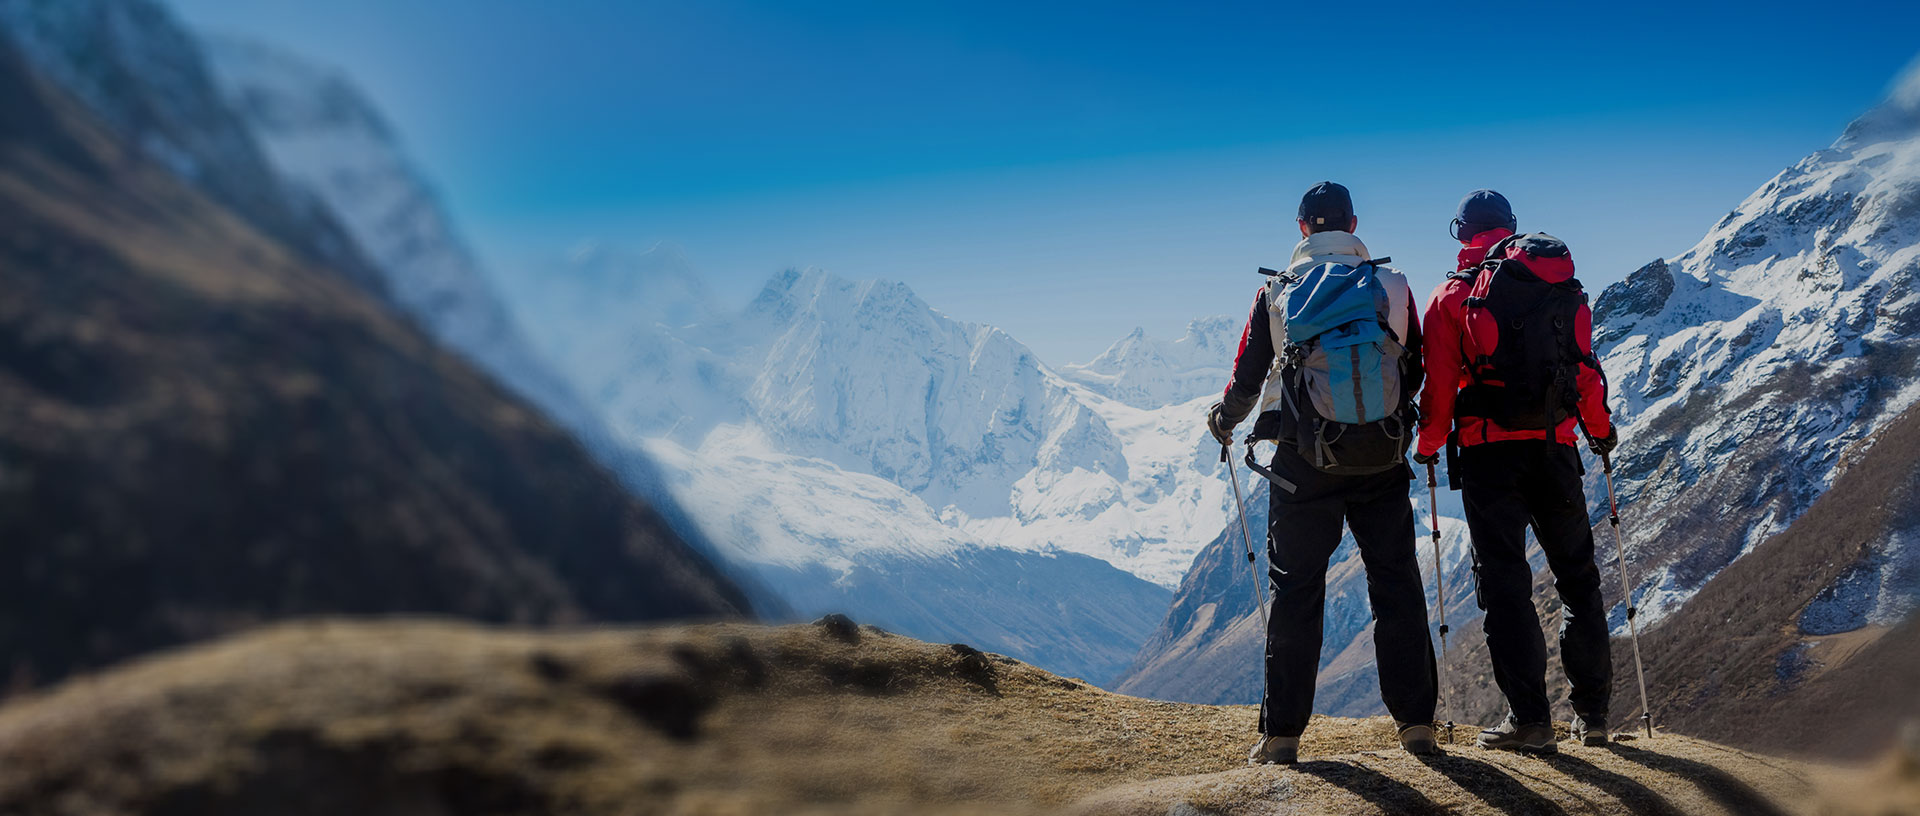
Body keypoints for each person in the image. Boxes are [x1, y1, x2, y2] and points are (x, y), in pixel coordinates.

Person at [1208, 181, 1438, 765]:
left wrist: (1224, 420)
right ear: (1354, 223)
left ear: (1302, 227)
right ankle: (1416, 726)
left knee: (1296, 591)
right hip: (1382, 457)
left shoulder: (1277, 293)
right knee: (1396, 584)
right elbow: (1420, 367)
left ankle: (1282, 735)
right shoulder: (1395, 285)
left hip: (1302, 464)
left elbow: (1248, 377)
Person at [1413, 189, 1618, 752]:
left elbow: (1440, 387)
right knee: (1579, 581)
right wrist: (1599, 432)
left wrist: (1428, 446)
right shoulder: (1564, 288)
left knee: (1506, 589)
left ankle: (1530, 721)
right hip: (1556, 448)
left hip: (1488, 456)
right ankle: (1593, 717)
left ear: (1461, 234)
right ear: (1511, 229)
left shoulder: (1451, 296)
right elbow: (1585, 373)